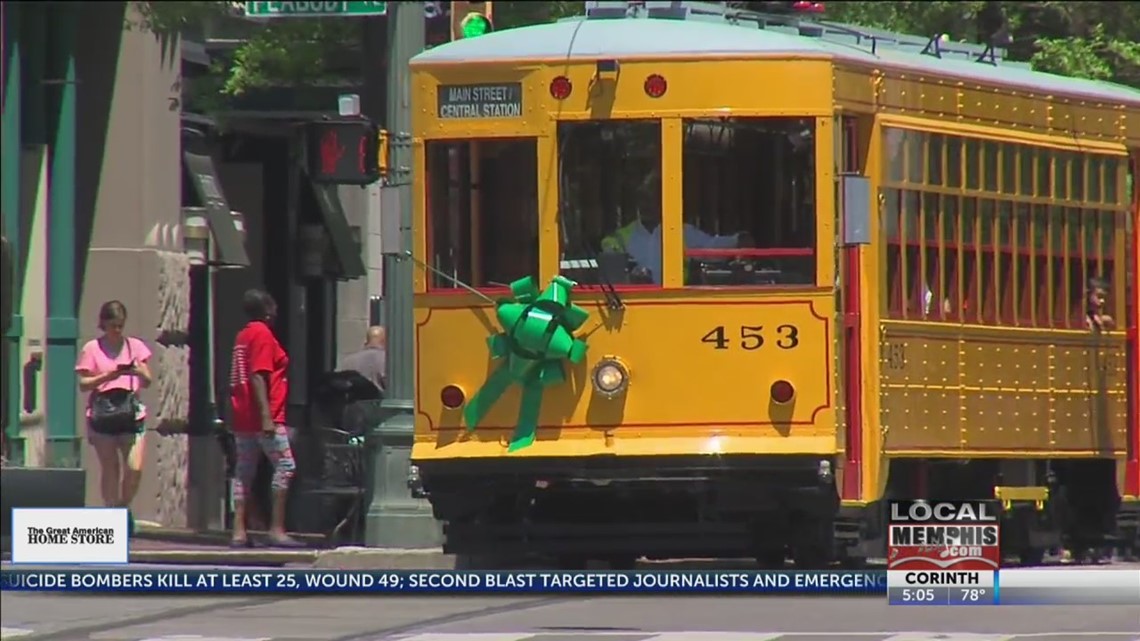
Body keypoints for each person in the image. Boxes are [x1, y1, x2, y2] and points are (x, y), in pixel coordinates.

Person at [228, 289, 299, 548]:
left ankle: (239, 531)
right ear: (267, 309)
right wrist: (267, 417)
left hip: (242, 416)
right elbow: (259, 376)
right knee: (286, 466)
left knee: (244, 472)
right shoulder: (262, 334)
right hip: (265, 417)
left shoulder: (243, 335)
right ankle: (277, 529)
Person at [75, 301, 153, 533]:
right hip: (104, 413)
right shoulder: (92, 349)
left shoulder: (134, 346)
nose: (117, 330)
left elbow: (147, 380)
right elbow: (83, 384)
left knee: (135, 468)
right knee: (110, 468)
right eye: (112, 326)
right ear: (103, 324)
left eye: (120, 325)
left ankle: (122, 507)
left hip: (131, 413)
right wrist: (109, 375)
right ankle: (112, 517)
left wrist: (137, 370)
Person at [601, 180, 750, 285]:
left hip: (675, 305)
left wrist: (737, 240)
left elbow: (711, 248)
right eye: (643, 200)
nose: (647, 205)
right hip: (634, 306)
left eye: (652, 199)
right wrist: (631, 278)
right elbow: (613, 276)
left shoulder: (682, 231)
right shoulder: (620, 237)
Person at [340, 326, 387, 395]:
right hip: (377, 401)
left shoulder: (348, 360)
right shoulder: (387, 360)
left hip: (353, 402)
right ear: (384, 340)